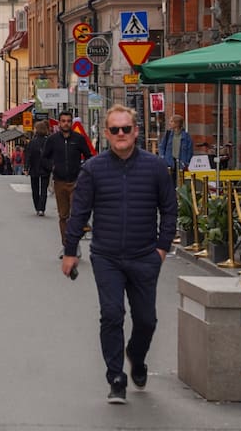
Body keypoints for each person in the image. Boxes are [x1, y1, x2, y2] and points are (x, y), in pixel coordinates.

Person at [62, 104, 177, 404]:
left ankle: (136, 357)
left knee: (147, 320)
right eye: (115, 130)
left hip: (144, 257)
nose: (121, 134)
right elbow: (79, 212)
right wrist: (70, 251)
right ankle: (116, 377)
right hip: (107, 257)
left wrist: (162, 248)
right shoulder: (93, 169)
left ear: (136, 131)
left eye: (126, 128)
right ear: (107, 134)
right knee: (112, 315)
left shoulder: (155, 167)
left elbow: (169, 209)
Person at [43, 111, 93, 257]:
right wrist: (52, 166)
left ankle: (74, 245)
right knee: (63, 216)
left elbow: (89, 156)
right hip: (59, 182)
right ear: (59, 123)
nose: (66, 123)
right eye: (63, 121)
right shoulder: (52, 140)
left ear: (71, 123)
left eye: (68, 121)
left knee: (75, 215)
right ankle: (66, 245)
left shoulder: (78, 139)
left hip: (76, 181)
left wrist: (84, 170)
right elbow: (44, 157)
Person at [24, 120, 51, 216]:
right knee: (44, 190)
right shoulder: (48, 141)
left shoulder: (32, 142)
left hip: (34, 168)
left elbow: (28, 155)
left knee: (35, 189)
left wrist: (26, 168)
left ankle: (37, 206)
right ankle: (42, 209)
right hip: (46, 168)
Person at [157, 115, 193, 183]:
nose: (169, 123)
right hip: (169, 163)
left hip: (180, 164)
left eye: (171, 121)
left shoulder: (186, 136)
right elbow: (162, 147)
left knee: (180, 183)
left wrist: (186, 163)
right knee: (169, 183)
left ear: (177, 124)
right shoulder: (168, 134)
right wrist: (162, 157)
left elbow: (190, 151)